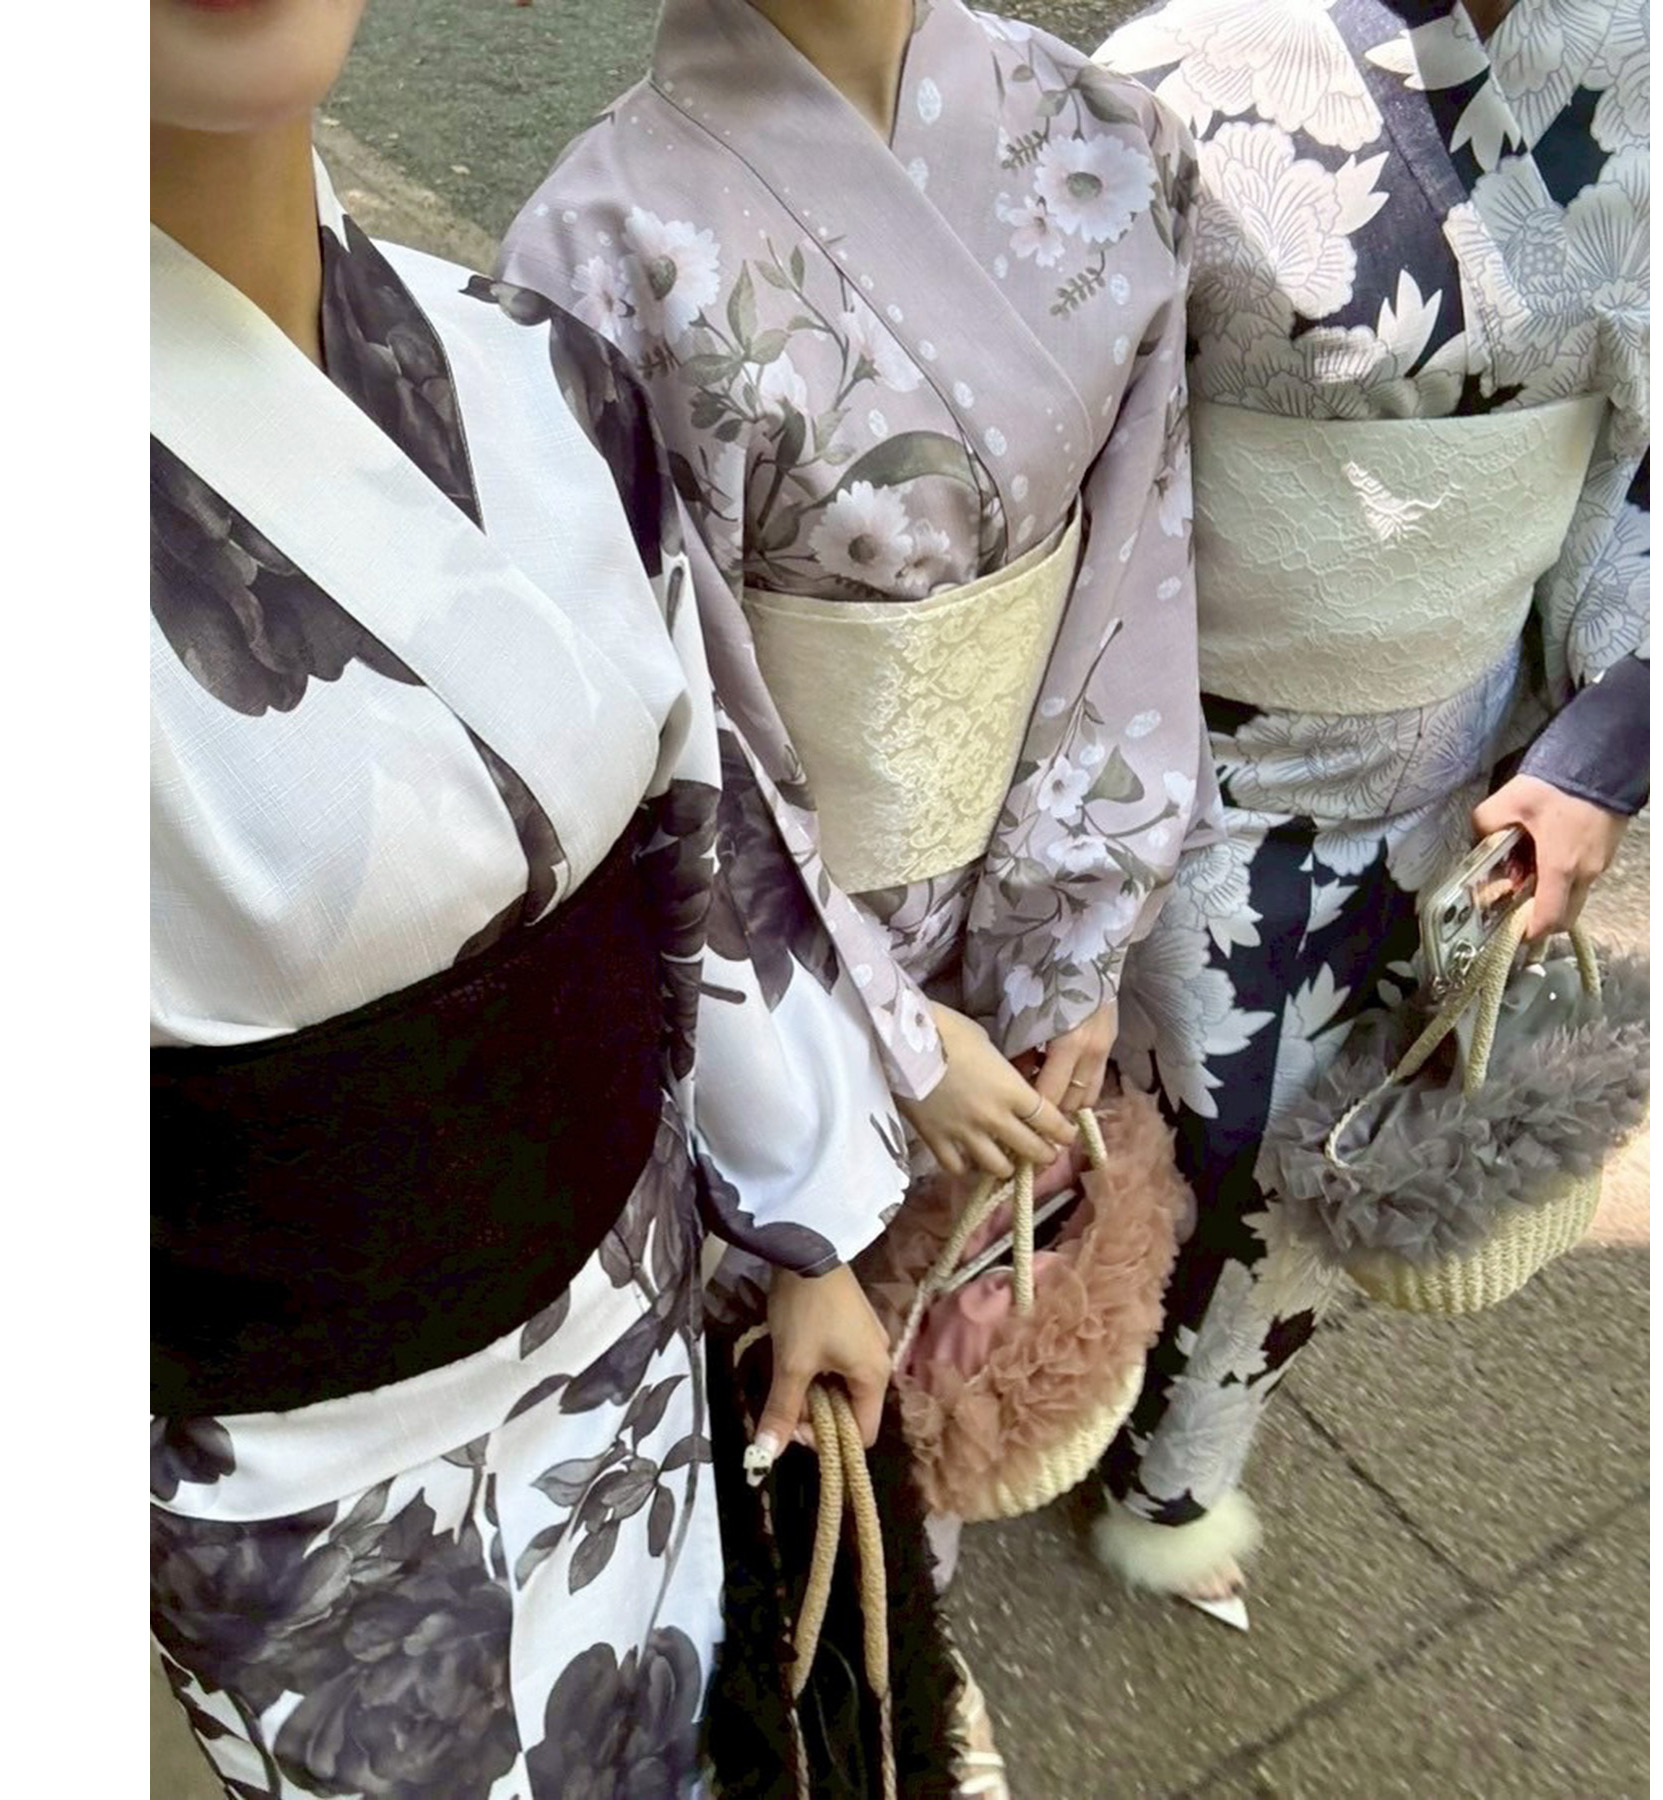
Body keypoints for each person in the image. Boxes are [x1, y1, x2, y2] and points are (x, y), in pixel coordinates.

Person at [149, 2, 905, 1792]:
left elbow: (692, 843)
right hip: (313, 1512)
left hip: (634, 1320)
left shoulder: (528, 366)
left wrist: (807, 1227)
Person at [495, 0, 1221, 1264]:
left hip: (1039, 895)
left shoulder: (1110, 135)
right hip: (780, 993)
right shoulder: (596, 249)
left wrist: (1075, 947)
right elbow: (666, 723)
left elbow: (1135, 562)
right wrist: (885, 1034)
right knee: (799, 1318)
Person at [1087, 0, 1649, 1629]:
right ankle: (1025, 1398)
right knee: (1103, 1119)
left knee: (1315, 1169)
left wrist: (1602, 751)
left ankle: (1177, 1472)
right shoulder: (1175, 79)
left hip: (1453, 779)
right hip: (1166, 759)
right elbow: (1066, 456)